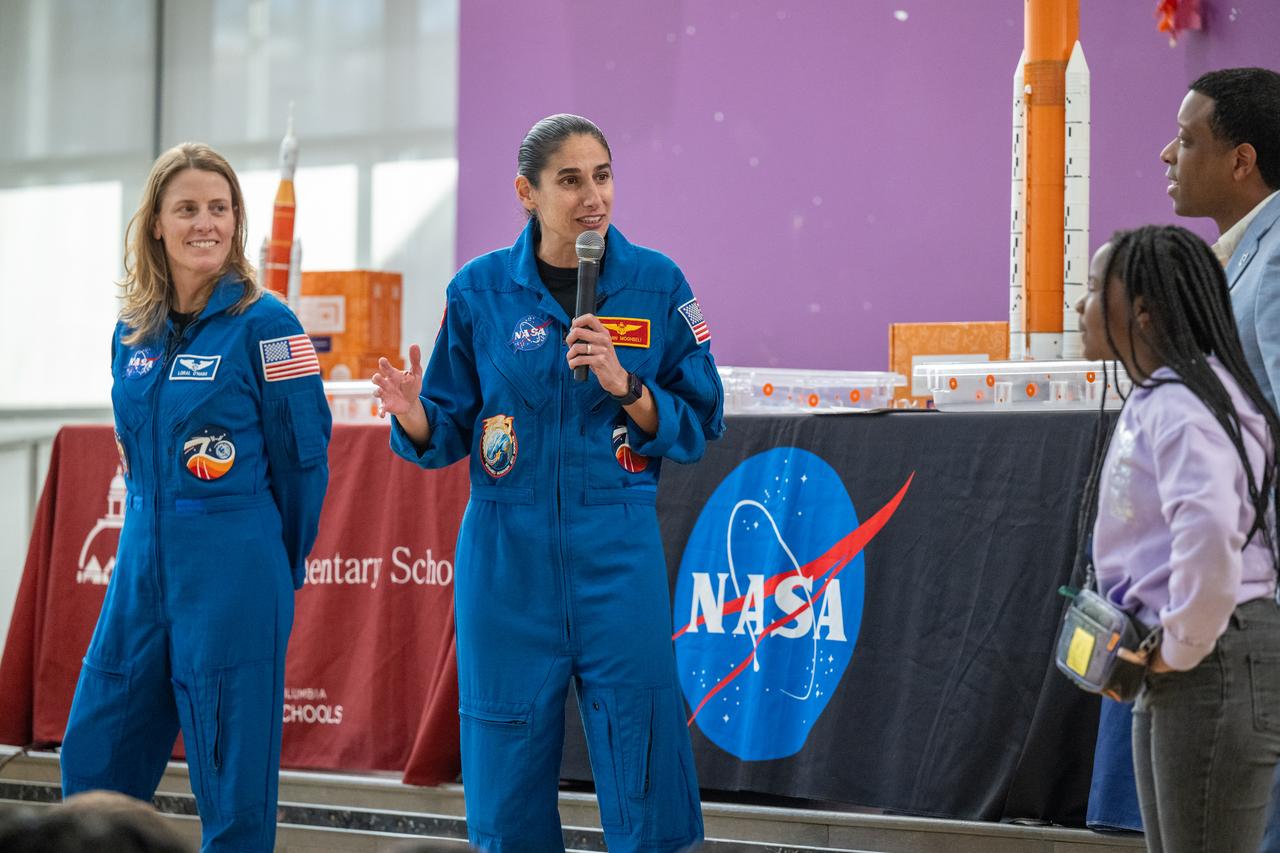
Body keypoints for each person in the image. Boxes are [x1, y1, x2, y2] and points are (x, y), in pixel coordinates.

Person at [373, 114, 723, 852]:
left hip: (614, 550)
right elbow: (450, 429)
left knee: (645, 760)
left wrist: (626, 383)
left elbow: (703, 415)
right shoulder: (479, 292)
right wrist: (413, 415)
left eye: (603, 175)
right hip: (507, 559)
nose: (592, 196)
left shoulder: (657, 283)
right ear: (526, 193)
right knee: (505, 778)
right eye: (570, 180)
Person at [59, 143, 331, 853]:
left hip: (234, 564)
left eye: (219, 208)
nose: (204, 223)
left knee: (231, 785)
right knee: (93, 759)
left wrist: (276, 562)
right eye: (187, 209)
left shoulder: (270, 325)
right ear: (156, 224)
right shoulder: (130, 331)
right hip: (142, 561)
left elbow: (305, 464)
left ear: (238, 220)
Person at [1074, 226, 1280, 852]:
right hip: (1180, 657)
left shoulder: (1187, 405)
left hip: (1212, 656)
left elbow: (1212, 538)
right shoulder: (1160, 395)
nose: (1080, 308)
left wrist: (1182, 647)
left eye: (1091, 291)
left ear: (1141, 311)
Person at [1160, 67, 1280, 410]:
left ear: (1241, 162)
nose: (1168, 153)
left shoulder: (1276, 258)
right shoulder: (1251, 250)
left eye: (1185, 140)